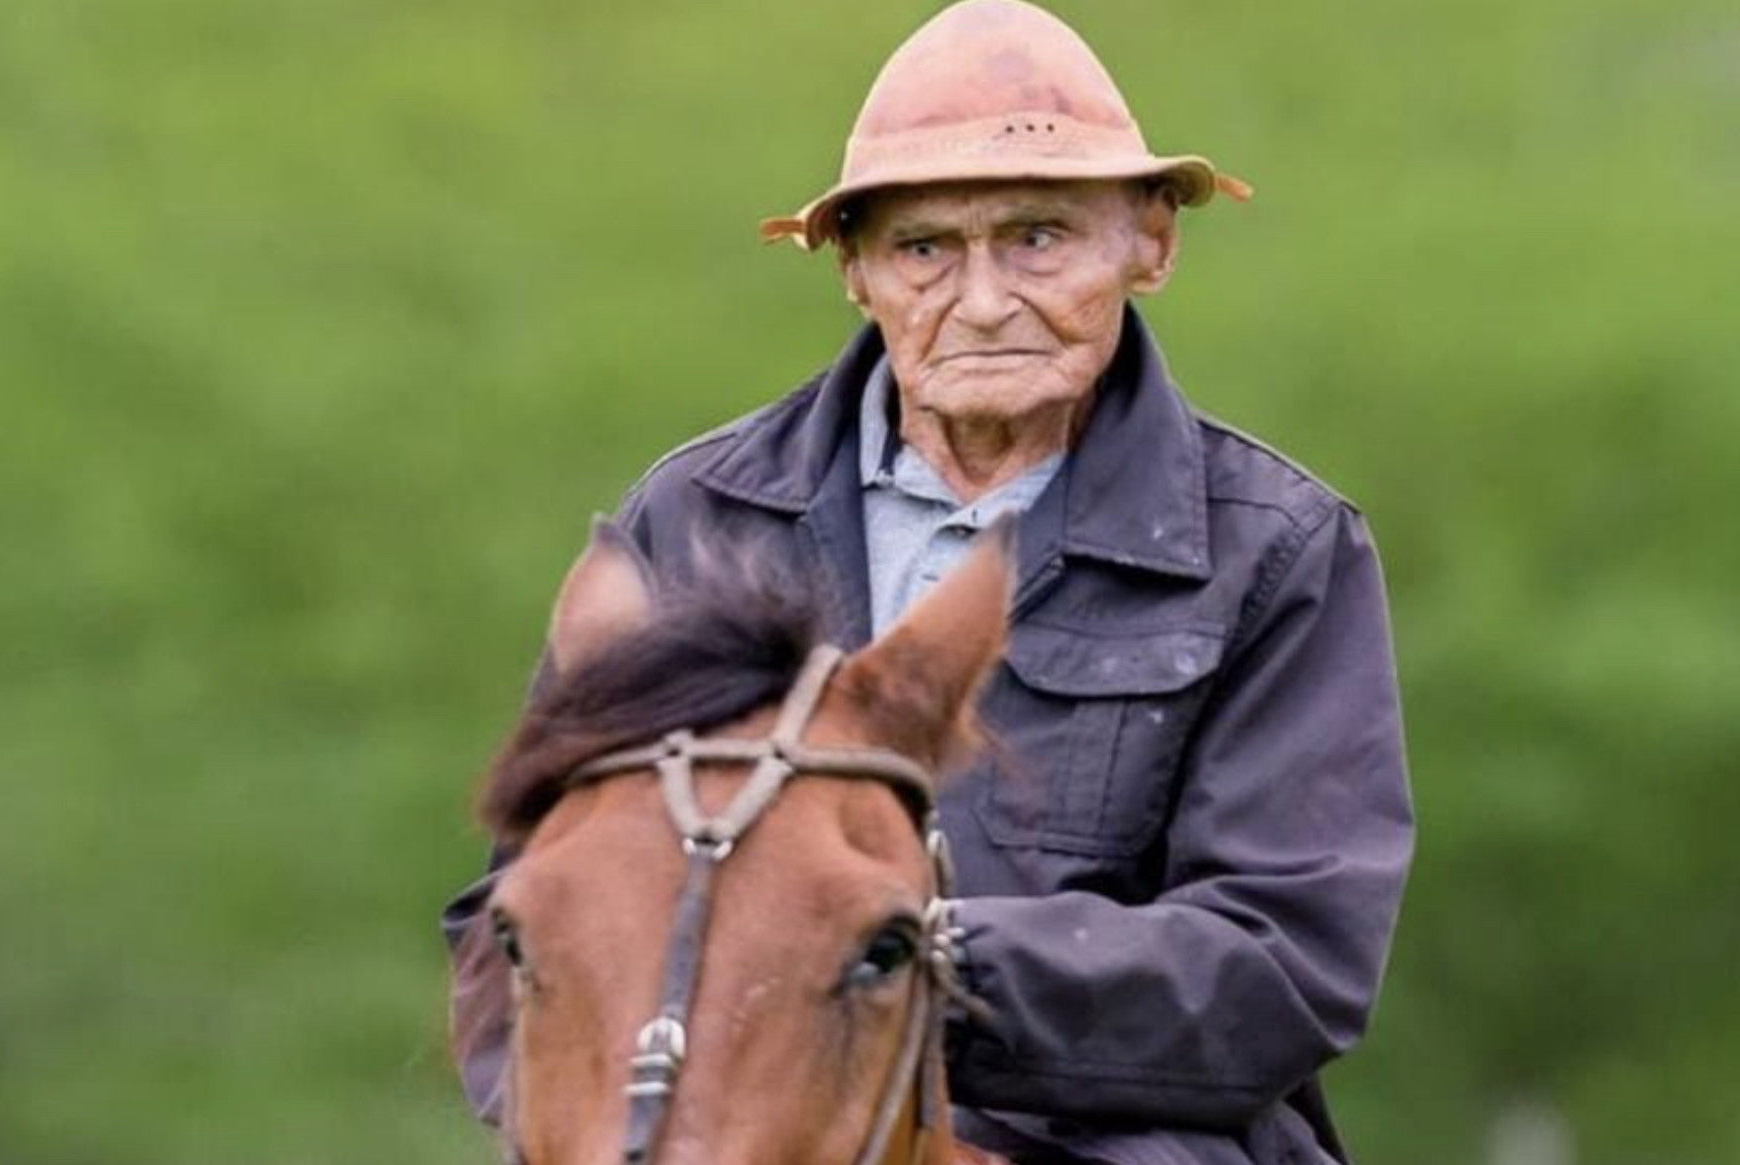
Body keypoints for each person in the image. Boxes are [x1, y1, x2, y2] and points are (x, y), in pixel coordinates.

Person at [442, 2, 1414, 1162]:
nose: (987, 298)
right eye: (924, 250)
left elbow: (1283, 964)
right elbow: (511, 925)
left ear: (1151, 242)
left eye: (1039, 236)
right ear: (855, 271)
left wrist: (898, 963)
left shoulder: (1278, 547)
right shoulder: (692, 521)